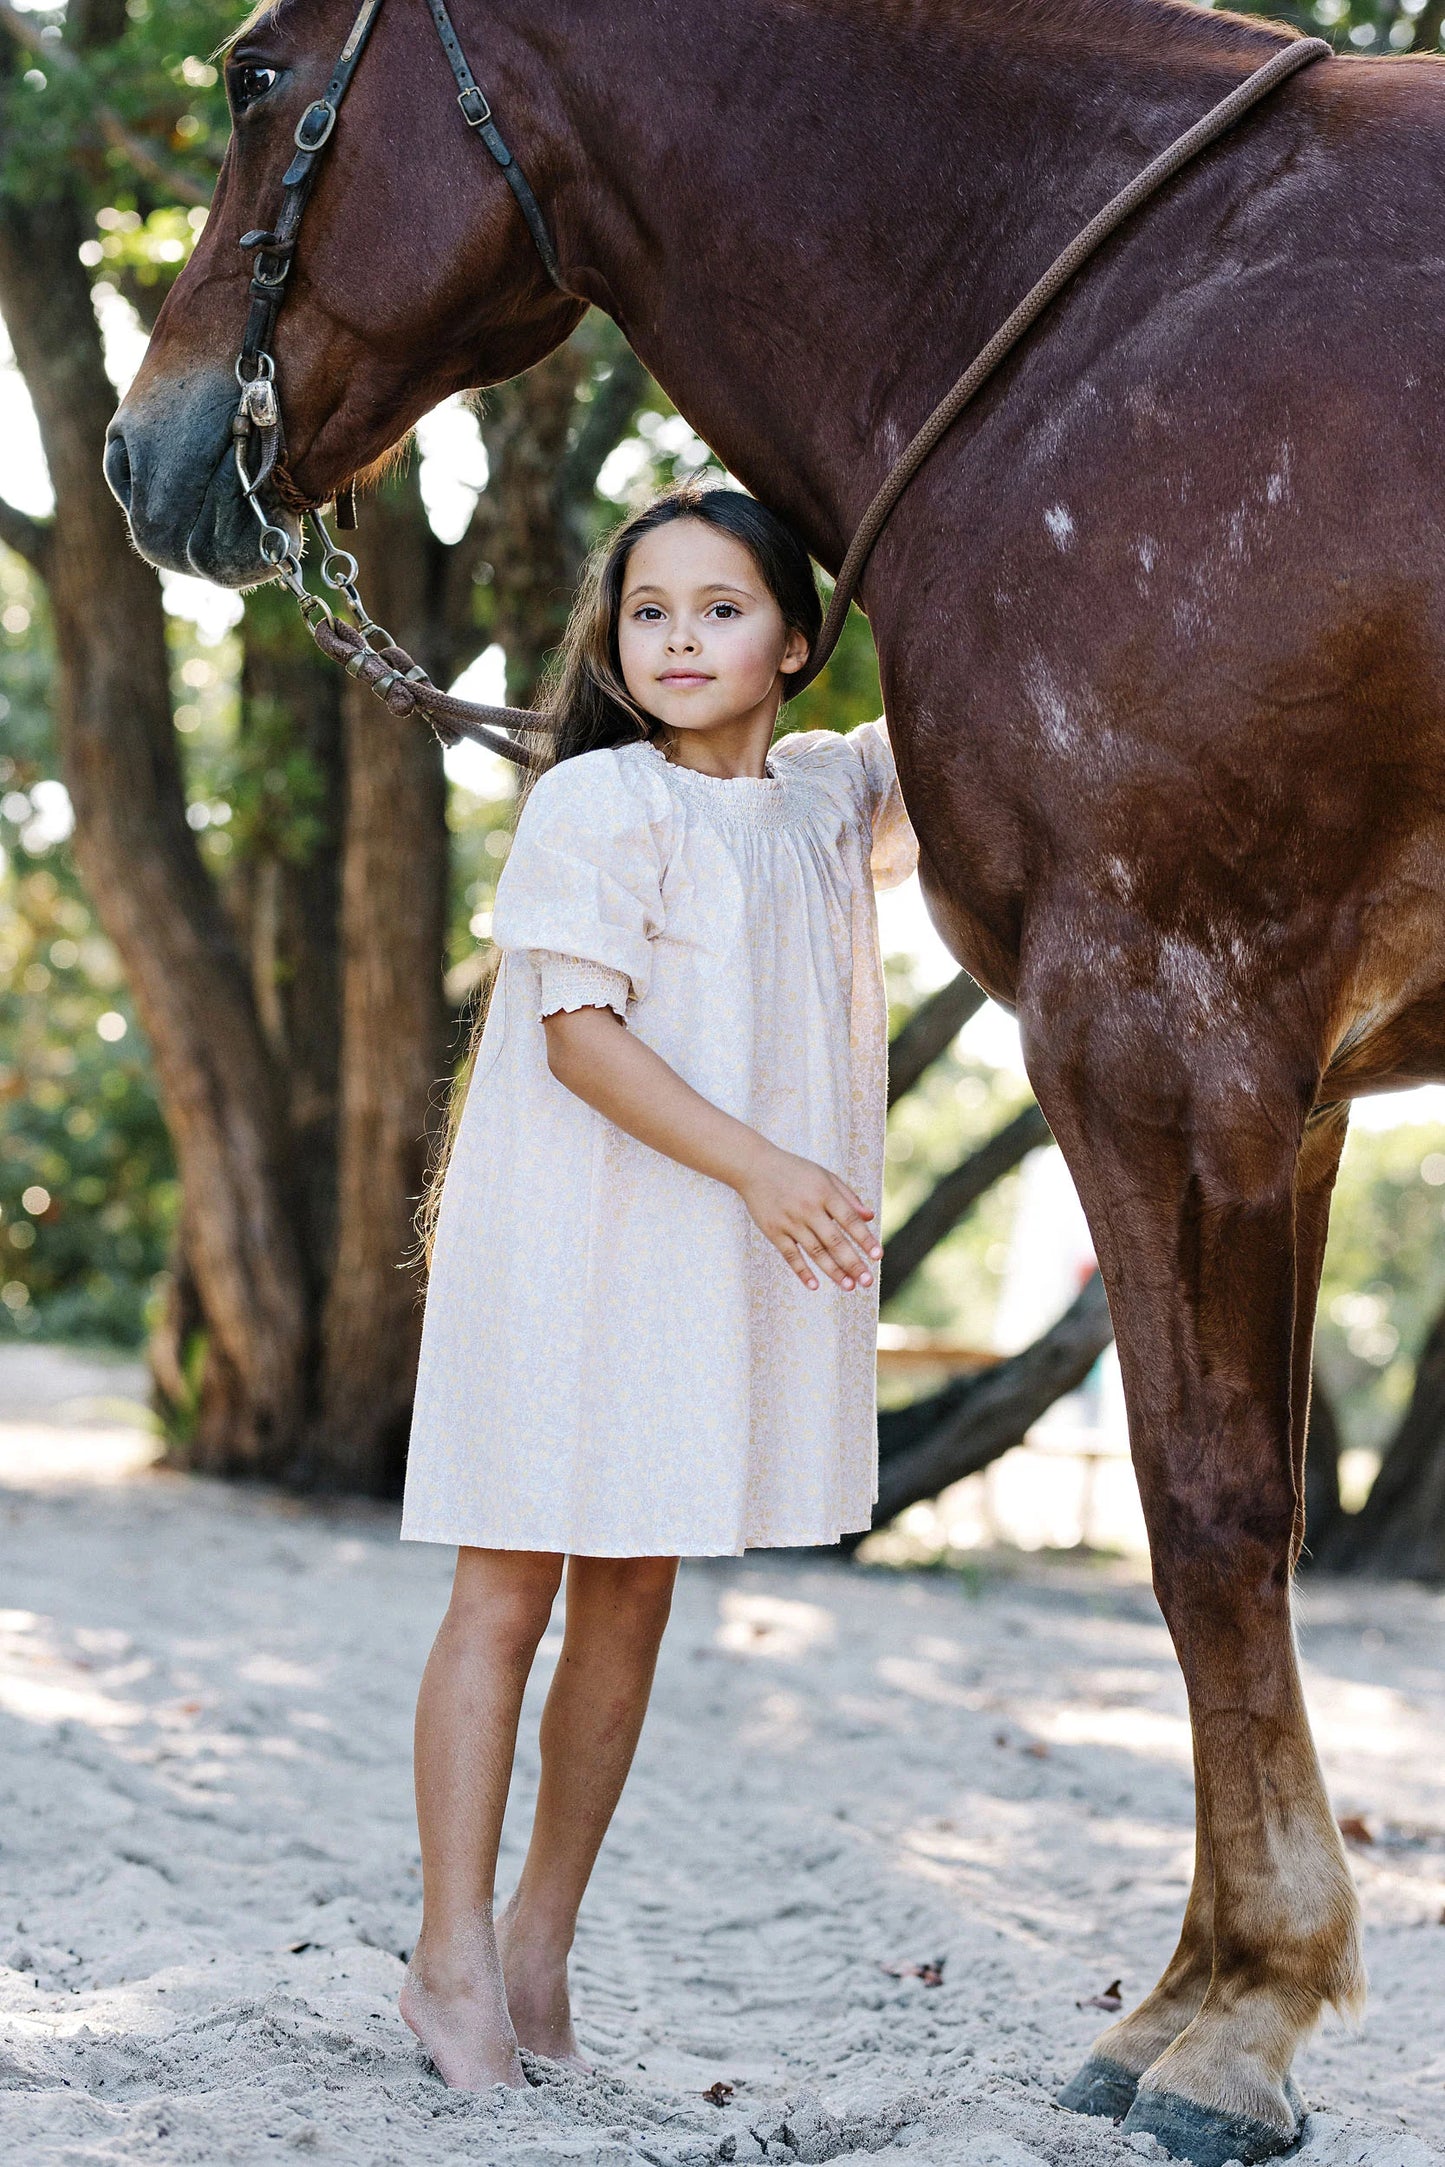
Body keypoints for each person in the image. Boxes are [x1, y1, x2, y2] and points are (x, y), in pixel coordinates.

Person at [397, 480, 918, 2087]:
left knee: (633, 1586)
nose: (680, 636)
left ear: (796, 638)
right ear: (612, 646)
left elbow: (969, 625)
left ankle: (542, 1950)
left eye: (722, 606)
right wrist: (766, 1167)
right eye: (648, 611)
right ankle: (449, 1953)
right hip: (568, 1229)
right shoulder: (598, 802)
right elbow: (576, 1035)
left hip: (699, 1257)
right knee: (509, 1585)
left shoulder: (835, 802)